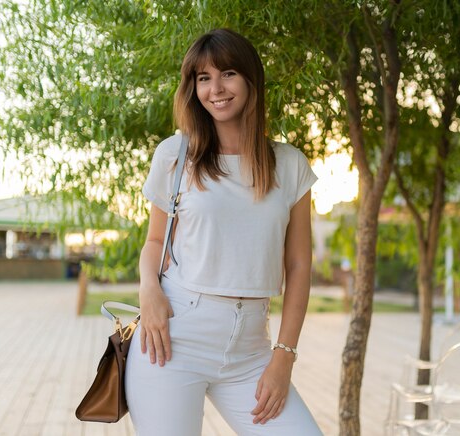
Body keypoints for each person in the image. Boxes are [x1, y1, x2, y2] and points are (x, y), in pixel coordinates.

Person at [124, 28, 323, 436]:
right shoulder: (176, 155)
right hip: (173, 340)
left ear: (251, 79)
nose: (215, 88)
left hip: (251, 349)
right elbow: (155, 242)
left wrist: (283, 358)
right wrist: (149, 291)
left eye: (228, 73)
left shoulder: (289, 164)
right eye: (202, 78)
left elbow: (300, 264)